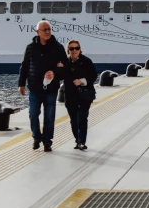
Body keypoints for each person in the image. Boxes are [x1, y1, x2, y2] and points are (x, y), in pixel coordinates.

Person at [18, 21, 67, 152]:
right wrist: (21, 84)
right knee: (33, 114)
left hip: (51, 89)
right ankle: (36, 137)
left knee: (49, 116)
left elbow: (66, 68)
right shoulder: (30, 48)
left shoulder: (58, 48)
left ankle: (47, 142)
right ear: (37, 32)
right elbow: (25, 66)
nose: (47, 32)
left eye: (49, 29)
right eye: (44, 29)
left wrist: (55, 73)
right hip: (34, 88)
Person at [63, 40, 97, 150]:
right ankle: (77, 140)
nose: (74, 50)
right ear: (68, 50)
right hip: (70, 95)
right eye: (72, 48)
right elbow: (59, 76)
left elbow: (93, 76)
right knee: (73, 120)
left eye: (76, 48)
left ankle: (82, 142)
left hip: (84, 95)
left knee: (82, 118)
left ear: (79, 49)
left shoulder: (86, 61)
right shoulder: (65, 63)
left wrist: (82, 81)